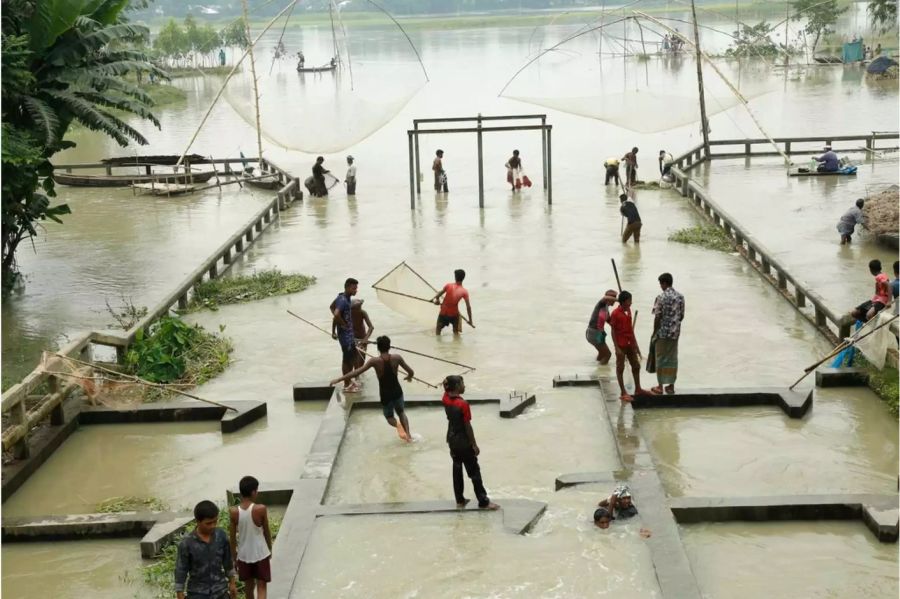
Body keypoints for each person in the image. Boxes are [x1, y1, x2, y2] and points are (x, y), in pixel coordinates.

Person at [330, 335, 415, 441]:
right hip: (397, 391)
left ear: (378, 348)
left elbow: (357, 372)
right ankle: (409, 436)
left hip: (385, 394)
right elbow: (411, 372)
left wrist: (338, 379)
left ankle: (398, 425)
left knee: (389, 417)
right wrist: (408, 377)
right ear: (389, 347)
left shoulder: (374, 361)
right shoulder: (397, 358)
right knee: (401, 412)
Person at [441, 375, 499, 510]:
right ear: (456, 387)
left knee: (457, 468)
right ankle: (483, 501)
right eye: (462, 383)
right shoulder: (463, 404)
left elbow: (445, 389)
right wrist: (474, 444)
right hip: (463, 441)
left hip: (451, 439)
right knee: (474, 472)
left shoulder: (445, 399)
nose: (464, 386)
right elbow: (467, 426)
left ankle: (460, 500)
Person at [175, 500, 238, 599]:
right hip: (197, 594)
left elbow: (228, 562)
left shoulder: (221, 536)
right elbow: (181, 569)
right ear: (198, 521)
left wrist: (232, 583)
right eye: (208, 523)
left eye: (215, 521)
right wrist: (179, 593)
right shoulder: (187, 543)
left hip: (220, 591)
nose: (213, 526)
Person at [229, 476, 272, 599]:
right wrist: (269, 549)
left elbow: (232, 538)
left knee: (248, 587)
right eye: (256, 490)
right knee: (261, 586)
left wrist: (234, 557)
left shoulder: (233, 512)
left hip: (244, 555)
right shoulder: (260, 509)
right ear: (253, 492)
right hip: (260, 553)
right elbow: (266, 532)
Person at [649, 273, 685, 395]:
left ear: (664, 283)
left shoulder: (661, 297)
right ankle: (671, 386)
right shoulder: (680, 297)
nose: (660, 286)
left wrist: (654, 332)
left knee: (660, 358)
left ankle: (660, 386)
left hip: (662, 333)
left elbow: (657, 317)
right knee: (672, 358)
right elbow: (681, 316)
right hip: (675, 333)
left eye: (661, 284)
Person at [610, 290, 648, 401]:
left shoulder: (629, 311)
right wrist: (617, 348)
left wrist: (637, 347)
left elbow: (631, 330)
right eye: (629, 301)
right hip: (621, 345)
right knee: (620, 368)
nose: (631, 303)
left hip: (630, 343)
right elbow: (613, 331)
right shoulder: (615, 314)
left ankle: (638, 388)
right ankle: (623, 392)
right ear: (624, 301)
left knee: (636, 366)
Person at [332, 278, 360, 393]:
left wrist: (334, 330)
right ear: (348, 287)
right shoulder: (343, 300)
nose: (356, 290)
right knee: (347, 360)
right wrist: (344, 325)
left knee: (353, 357)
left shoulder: (343, 298)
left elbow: (332, 308)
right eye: (354, 288)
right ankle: (347, 384)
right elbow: (336, 314)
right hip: (345, 337)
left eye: (356, 288)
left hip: (348, 335)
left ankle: (349, 380)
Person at [432, 269, 474, 335]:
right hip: (454, 314)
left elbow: (438, 295)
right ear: (463, 278)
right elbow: (468, 307)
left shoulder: (448, 286)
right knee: (456, 333)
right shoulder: (464, 291)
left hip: (443, 313)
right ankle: (457, 345)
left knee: (438, 331)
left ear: (455, 277)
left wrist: (437, 300)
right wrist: (470, 321)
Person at [586, 289, 619, 364]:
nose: (614, 301)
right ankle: (601, 374)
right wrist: (619, 300)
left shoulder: (606, 308)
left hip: (598, 333)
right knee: (608, 355)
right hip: (594, 333)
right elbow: (605, 298)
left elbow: (610, 321)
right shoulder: (601, 304)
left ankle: (597, 368)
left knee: (602, 354)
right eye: (613, 298)